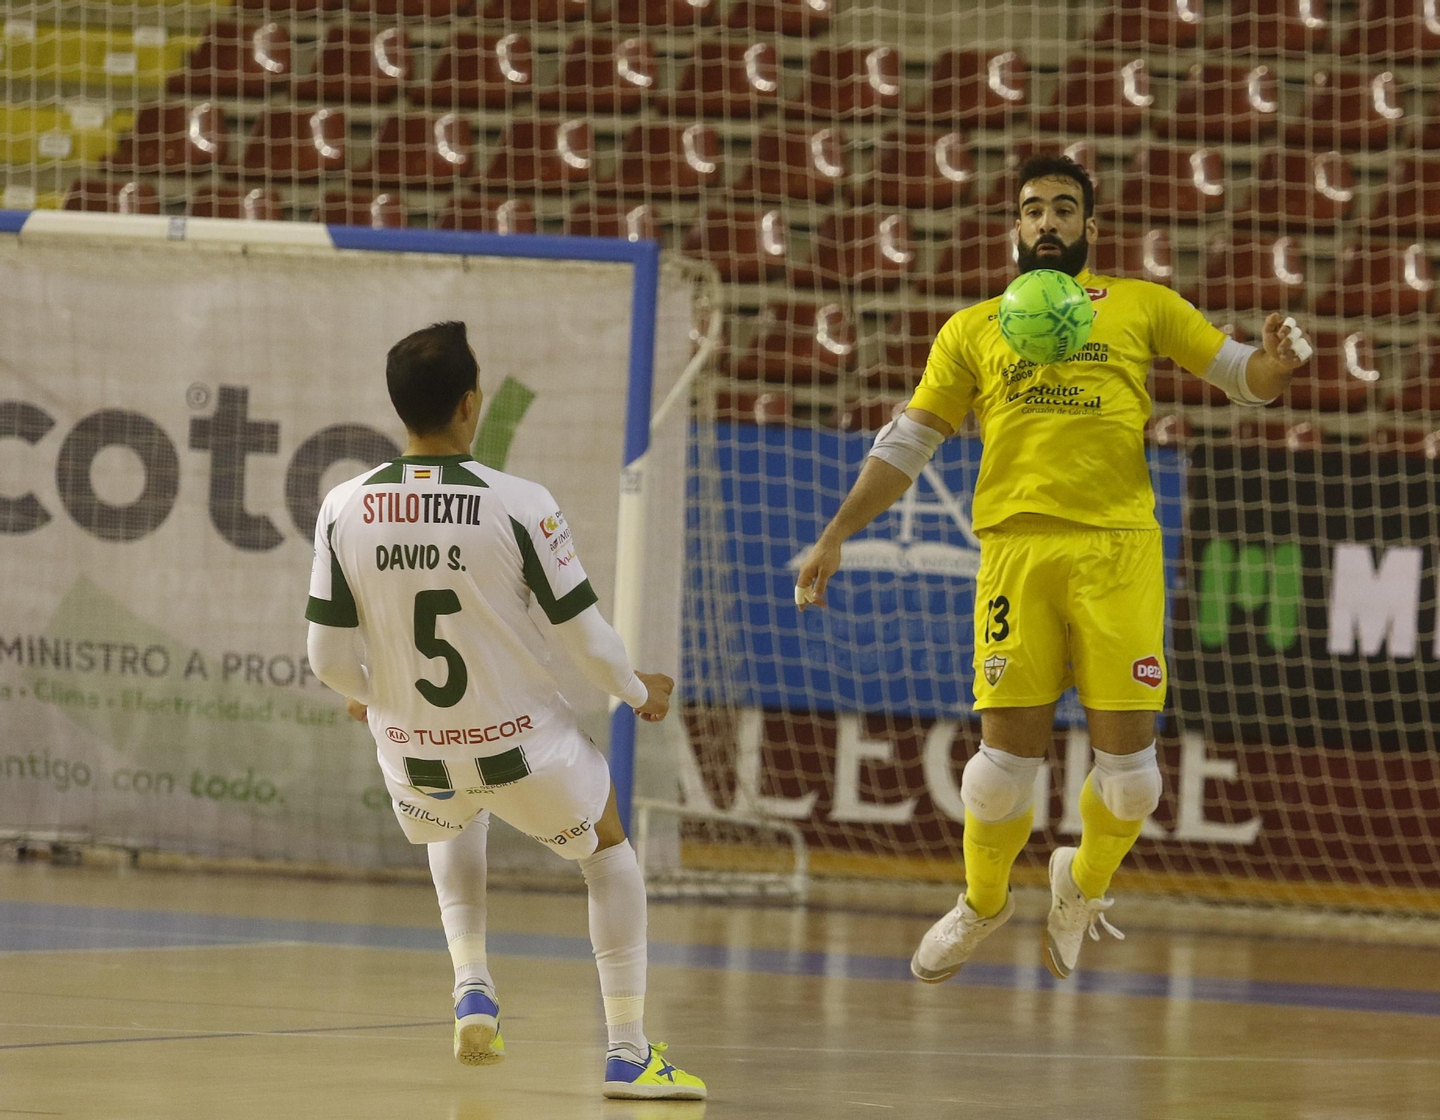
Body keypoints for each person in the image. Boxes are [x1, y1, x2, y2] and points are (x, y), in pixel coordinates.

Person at [794, 155, 1312, 982]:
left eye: (1063, 210)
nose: (1046, 223)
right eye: (1032, 210)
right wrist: (836, 533)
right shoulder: (974, 327)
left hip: (1119, 553)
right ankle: (983, 901)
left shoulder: (1142, 304)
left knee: (1135, 781)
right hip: (1016, 552)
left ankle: (1082, 883)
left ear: (1089, 229)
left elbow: (1238, 374)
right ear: (1014, 228)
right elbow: (907, 443)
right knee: (998, 774)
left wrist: (1278, 364)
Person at [305, 321, 706, 1101]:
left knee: (454, 816)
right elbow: (587, 640)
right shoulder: (520, 504)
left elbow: (324, 659)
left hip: (413, 755)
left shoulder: (341, 505)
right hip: (525, 751)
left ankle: (472, 983)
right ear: (469, 403)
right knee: (607, 853)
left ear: (399, 409)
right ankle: (627, 1051)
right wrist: (636, 690)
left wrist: (370, 694)